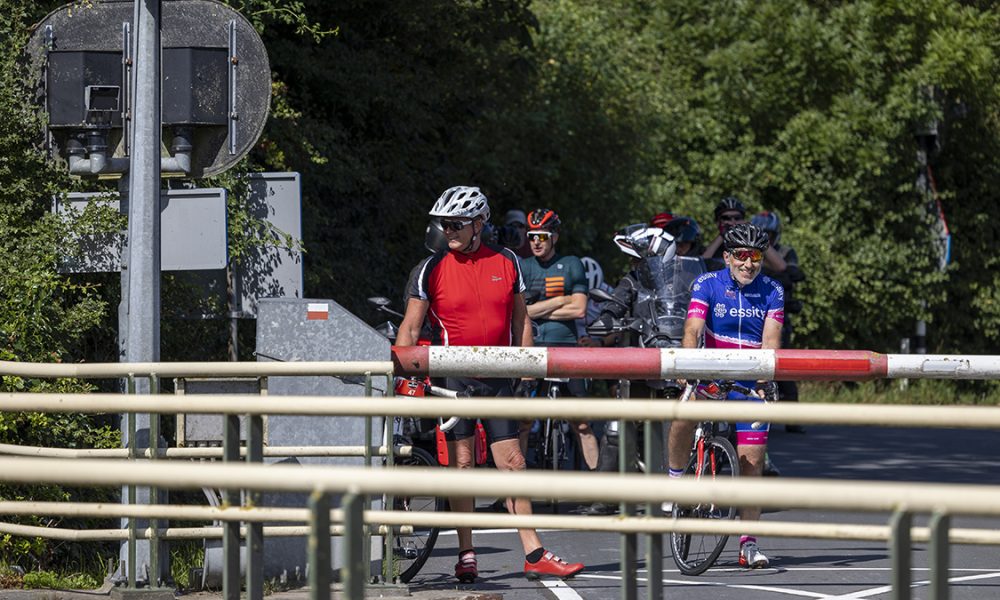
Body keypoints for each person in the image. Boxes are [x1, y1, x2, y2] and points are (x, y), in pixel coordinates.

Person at [396, 186, 584, 582]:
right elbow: (410, 328)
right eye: (443, 224)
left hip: (498, 376)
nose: (447, 230)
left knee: (512, 463)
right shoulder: (431, 268)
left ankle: (534, 552)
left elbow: (521, 321)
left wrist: (527, 364)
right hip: (453, 378)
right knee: (463, 463)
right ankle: (466, 553)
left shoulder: (508, 260)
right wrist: (401, 373)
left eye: (455, 224)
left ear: (479, 224)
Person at [669, 222, 784, 569]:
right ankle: (675, 480)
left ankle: (748, 543)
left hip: (748, 382)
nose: (749, 263)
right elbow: (692, 329)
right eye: (742, 256)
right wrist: (688, 366)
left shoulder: (773, 290)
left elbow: (771, 342)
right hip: (711, 372)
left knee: (752, 461)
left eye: (756, 257)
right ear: (727, 256)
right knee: (682, 414)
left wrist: (766, 380)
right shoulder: (707, 283)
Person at [519, 208, 599, 471]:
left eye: (542, 236)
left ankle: (596, 487)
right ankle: (513, 487)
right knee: (524, 421)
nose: (536, 242)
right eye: (532, 237)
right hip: (532, 347)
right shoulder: (523, 265)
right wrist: (560, 300)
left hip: (567, 347)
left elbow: (579, 309)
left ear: (554, 236)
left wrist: (537, 308)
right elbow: (519, 311)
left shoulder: (572, 263)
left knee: (583, 423)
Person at [751, 210, 807, 433]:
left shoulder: (784, 252)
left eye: (769, 234)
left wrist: (765, 246)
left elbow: (790, 272)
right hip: (752, 314)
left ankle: (791, 418)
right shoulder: (748, 252)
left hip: (778, 315)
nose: (765, 236)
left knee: (784, 365)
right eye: (761, 233)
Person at [702, 196, 787, 275]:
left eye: (737, 218)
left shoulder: (751, 243)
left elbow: (781, 266)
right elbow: (700, 265)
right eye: (726, 218)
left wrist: (755, 233)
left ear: (743, 220)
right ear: (718, 222)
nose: (732, 222)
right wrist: (722, 235)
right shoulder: (713, 248)